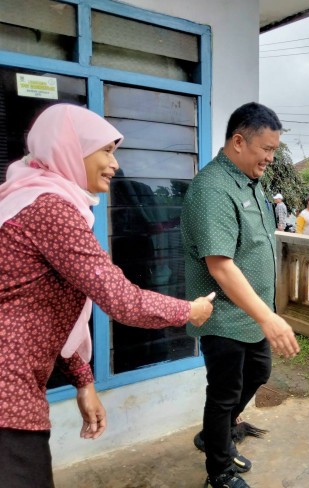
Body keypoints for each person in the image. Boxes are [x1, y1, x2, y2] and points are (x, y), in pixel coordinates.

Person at [0, 104, 215, 488]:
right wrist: (189, 309)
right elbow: (120, 300)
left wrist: (83, 381)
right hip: (7, 392)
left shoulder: (29, 196)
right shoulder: (51, 209)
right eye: (106, 151)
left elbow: (43, 306)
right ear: (70, 147)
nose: (114, 165)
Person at [181, 102, 300, 488]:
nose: (270, 157)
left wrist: (266, 312)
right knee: (224, 390)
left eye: (273, 150)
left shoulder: (250, 183)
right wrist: (269, 318)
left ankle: (218, 430)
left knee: (259, 373)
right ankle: (218, 472)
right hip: (224, 316)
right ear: (238, 141)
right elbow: (220, 266)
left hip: (252, 312)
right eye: (266, 149)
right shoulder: (213, 188)